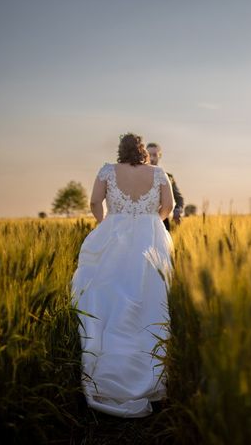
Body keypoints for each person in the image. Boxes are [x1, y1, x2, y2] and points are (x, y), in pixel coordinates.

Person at [71, 133, 174, 418]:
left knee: (110, 300)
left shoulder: (107, 170)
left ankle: (108, 371)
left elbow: (94, 202)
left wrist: (108, 223)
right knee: (148, 303)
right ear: (143, 151)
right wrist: (150, 221)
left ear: (120, 150)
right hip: (148, 239)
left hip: (114, 237)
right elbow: (169, 207)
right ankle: (149, 375)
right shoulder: (158, 173)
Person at [146, 142, 184, 231]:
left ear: (160, 156)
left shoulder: (168, 177)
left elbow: (179, 198)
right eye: (149, 155)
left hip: (163, 222)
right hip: (142, 222)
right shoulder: (137, 175)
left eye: (154, 155)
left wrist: (177, 211)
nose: (151, 158)